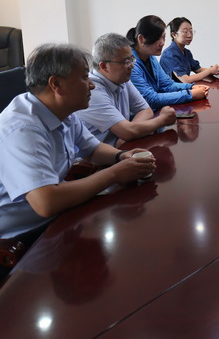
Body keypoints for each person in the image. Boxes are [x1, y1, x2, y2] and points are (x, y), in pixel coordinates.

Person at [0, 43, 155, 244]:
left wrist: (121, 156)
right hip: (23, 239)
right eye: (84, 77)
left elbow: (94, 149)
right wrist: (115, 173)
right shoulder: (22, 129)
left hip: (58, 217)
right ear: (56, 84)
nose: (92, 85)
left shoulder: (62, 111)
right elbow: (46, 202)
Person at [76, 33, 177, 147]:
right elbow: (127, 132)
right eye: (125, 62)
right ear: (104, 66)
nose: (132, 66)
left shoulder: (122, 79)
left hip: (122, 149)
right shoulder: (92, 90)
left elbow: (145, 110)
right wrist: (162, 120)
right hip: (98, 156)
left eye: (131, 59)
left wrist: (127, 134)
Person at [128, 15, 209, 110]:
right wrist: (190, 94)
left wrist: (191, 87)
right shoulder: (131, 64)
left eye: (163, 37)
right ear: (141, 39)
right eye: (157, 38)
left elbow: (167, 85)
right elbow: (151, 99)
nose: (162, 43)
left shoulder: (151, 58)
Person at [160, 17, 219, 83]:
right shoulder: (169, 55)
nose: (189, 35)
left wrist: (214, 70)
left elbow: (198, 69)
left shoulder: (187, 52)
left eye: (191, 31)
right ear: (174, 35)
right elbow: (186, 80)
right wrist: (209, 71)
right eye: (185, 32)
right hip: (171, 89)